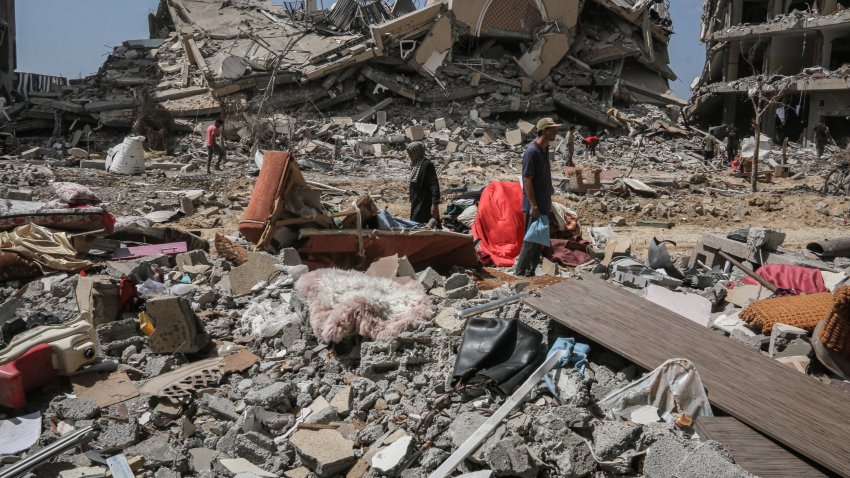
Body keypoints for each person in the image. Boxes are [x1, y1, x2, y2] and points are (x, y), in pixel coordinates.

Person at [514, 117, 558, 276]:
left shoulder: (544, 150)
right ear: (544, 130)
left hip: (543, 202)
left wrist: (549, 188)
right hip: (534, 205)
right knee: (531, 239)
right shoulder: (532, 152)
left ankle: (530, 270)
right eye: (552, 129)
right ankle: (520, 271)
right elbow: (527, 180)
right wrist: (533, 205)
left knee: (538, 238)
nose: (556, 132)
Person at [406, 141, 441, 227]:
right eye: (409, 154)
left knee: (425, 225)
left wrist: (435, 204)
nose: (409, 156)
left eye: (411, 153)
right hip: (416, 201)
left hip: (425, 203)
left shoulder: (427, 165)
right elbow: (414, 182)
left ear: (417, 153)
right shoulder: (415, 166)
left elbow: (434, 185)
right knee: (416, 224)